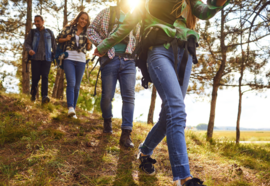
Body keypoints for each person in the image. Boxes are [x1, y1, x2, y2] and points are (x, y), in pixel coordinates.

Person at [94, 0, 230, 185]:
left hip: (185, 53)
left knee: (170, 115)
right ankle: (183, 178)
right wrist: (102, 47)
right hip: (158, 51)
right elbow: (126, 26)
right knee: (177, 110)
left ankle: (144, 151)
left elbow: (205, 11)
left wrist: (217, 3)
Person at [88, 0, 140, 148]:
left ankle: (126, 134)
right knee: (107, 96)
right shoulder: (106, 13)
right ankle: (107, 121)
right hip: (109, 60)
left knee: (129, 97)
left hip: (129, 60)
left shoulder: (137, 15)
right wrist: (103, 44)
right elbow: (90, 30)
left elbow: (139, 36)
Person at [57, 12, 92, 119]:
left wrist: (89, 43)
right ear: (78, 19)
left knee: (77, 86)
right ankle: (70, 107)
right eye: (82, 18)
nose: (83, 21)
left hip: (81, 60)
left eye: (86, 20)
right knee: (71, 83)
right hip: (69, 58)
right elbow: (58, 39)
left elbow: (89, 48)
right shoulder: (69, 28)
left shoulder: (88, 32)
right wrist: (66, 39)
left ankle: (73, 111)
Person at [24, 15, 56, 104]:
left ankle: (44, 97)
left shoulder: (49, 32)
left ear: (43, 21)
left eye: (38, 21)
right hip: (35, 59)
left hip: (47, 59)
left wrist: (54, 56)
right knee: (35, 78)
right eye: (35, 21)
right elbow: (27, 43)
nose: (36, 23)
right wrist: (29, 50)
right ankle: (33, 96)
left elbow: (55, 46)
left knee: (45, 77)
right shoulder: (33, 32)